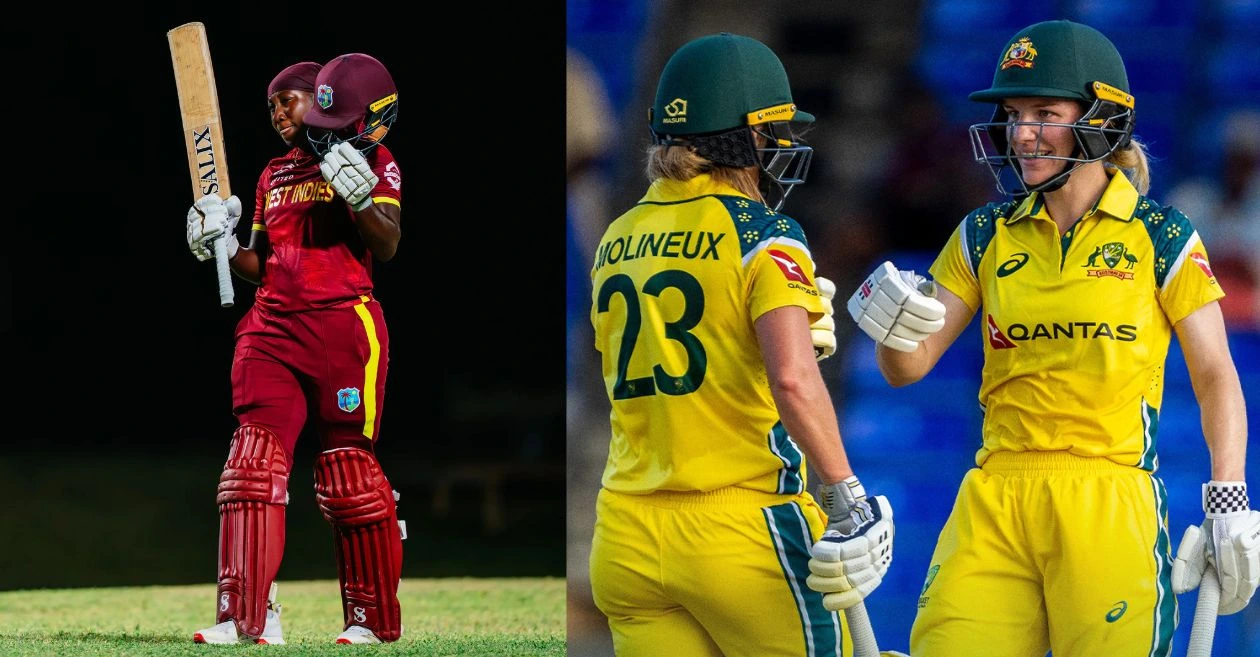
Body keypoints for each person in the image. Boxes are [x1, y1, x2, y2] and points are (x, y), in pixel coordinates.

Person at [833, 19, 1260, 656]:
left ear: (1101, 121)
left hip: (1110, 499)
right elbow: (907, 368)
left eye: (1045, 114)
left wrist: (1228, 496)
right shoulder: (984, 233)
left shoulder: (1160, 234)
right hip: (995, 496)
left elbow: (1216, 374)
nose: (1022, 133)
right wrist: (892, 330)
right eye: (1013, 115)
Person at [588, 32, 896, 657]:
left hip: (625, 531)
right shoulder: (764, 232)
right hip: (740, 526)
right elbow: (792, 380)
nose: (781, 146)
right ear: (745, 138)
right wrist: (847, 493)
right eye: (773, 132)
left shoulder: (616, 235)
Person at [183, 53, 406, 645]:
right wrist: (222, 242)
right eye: (270, 106)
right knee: (250, 470)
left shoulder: (372, 156)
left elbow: (387, 245)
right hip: (271, 330)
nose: (278, 113)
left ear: (323, 97)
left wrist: (359, 200)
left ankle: (369, 620)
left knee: (347, 475)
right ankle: (245, 616)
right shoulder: (272, 175)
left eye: (288, 100)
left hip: (342, 328)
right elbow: (261, 264)